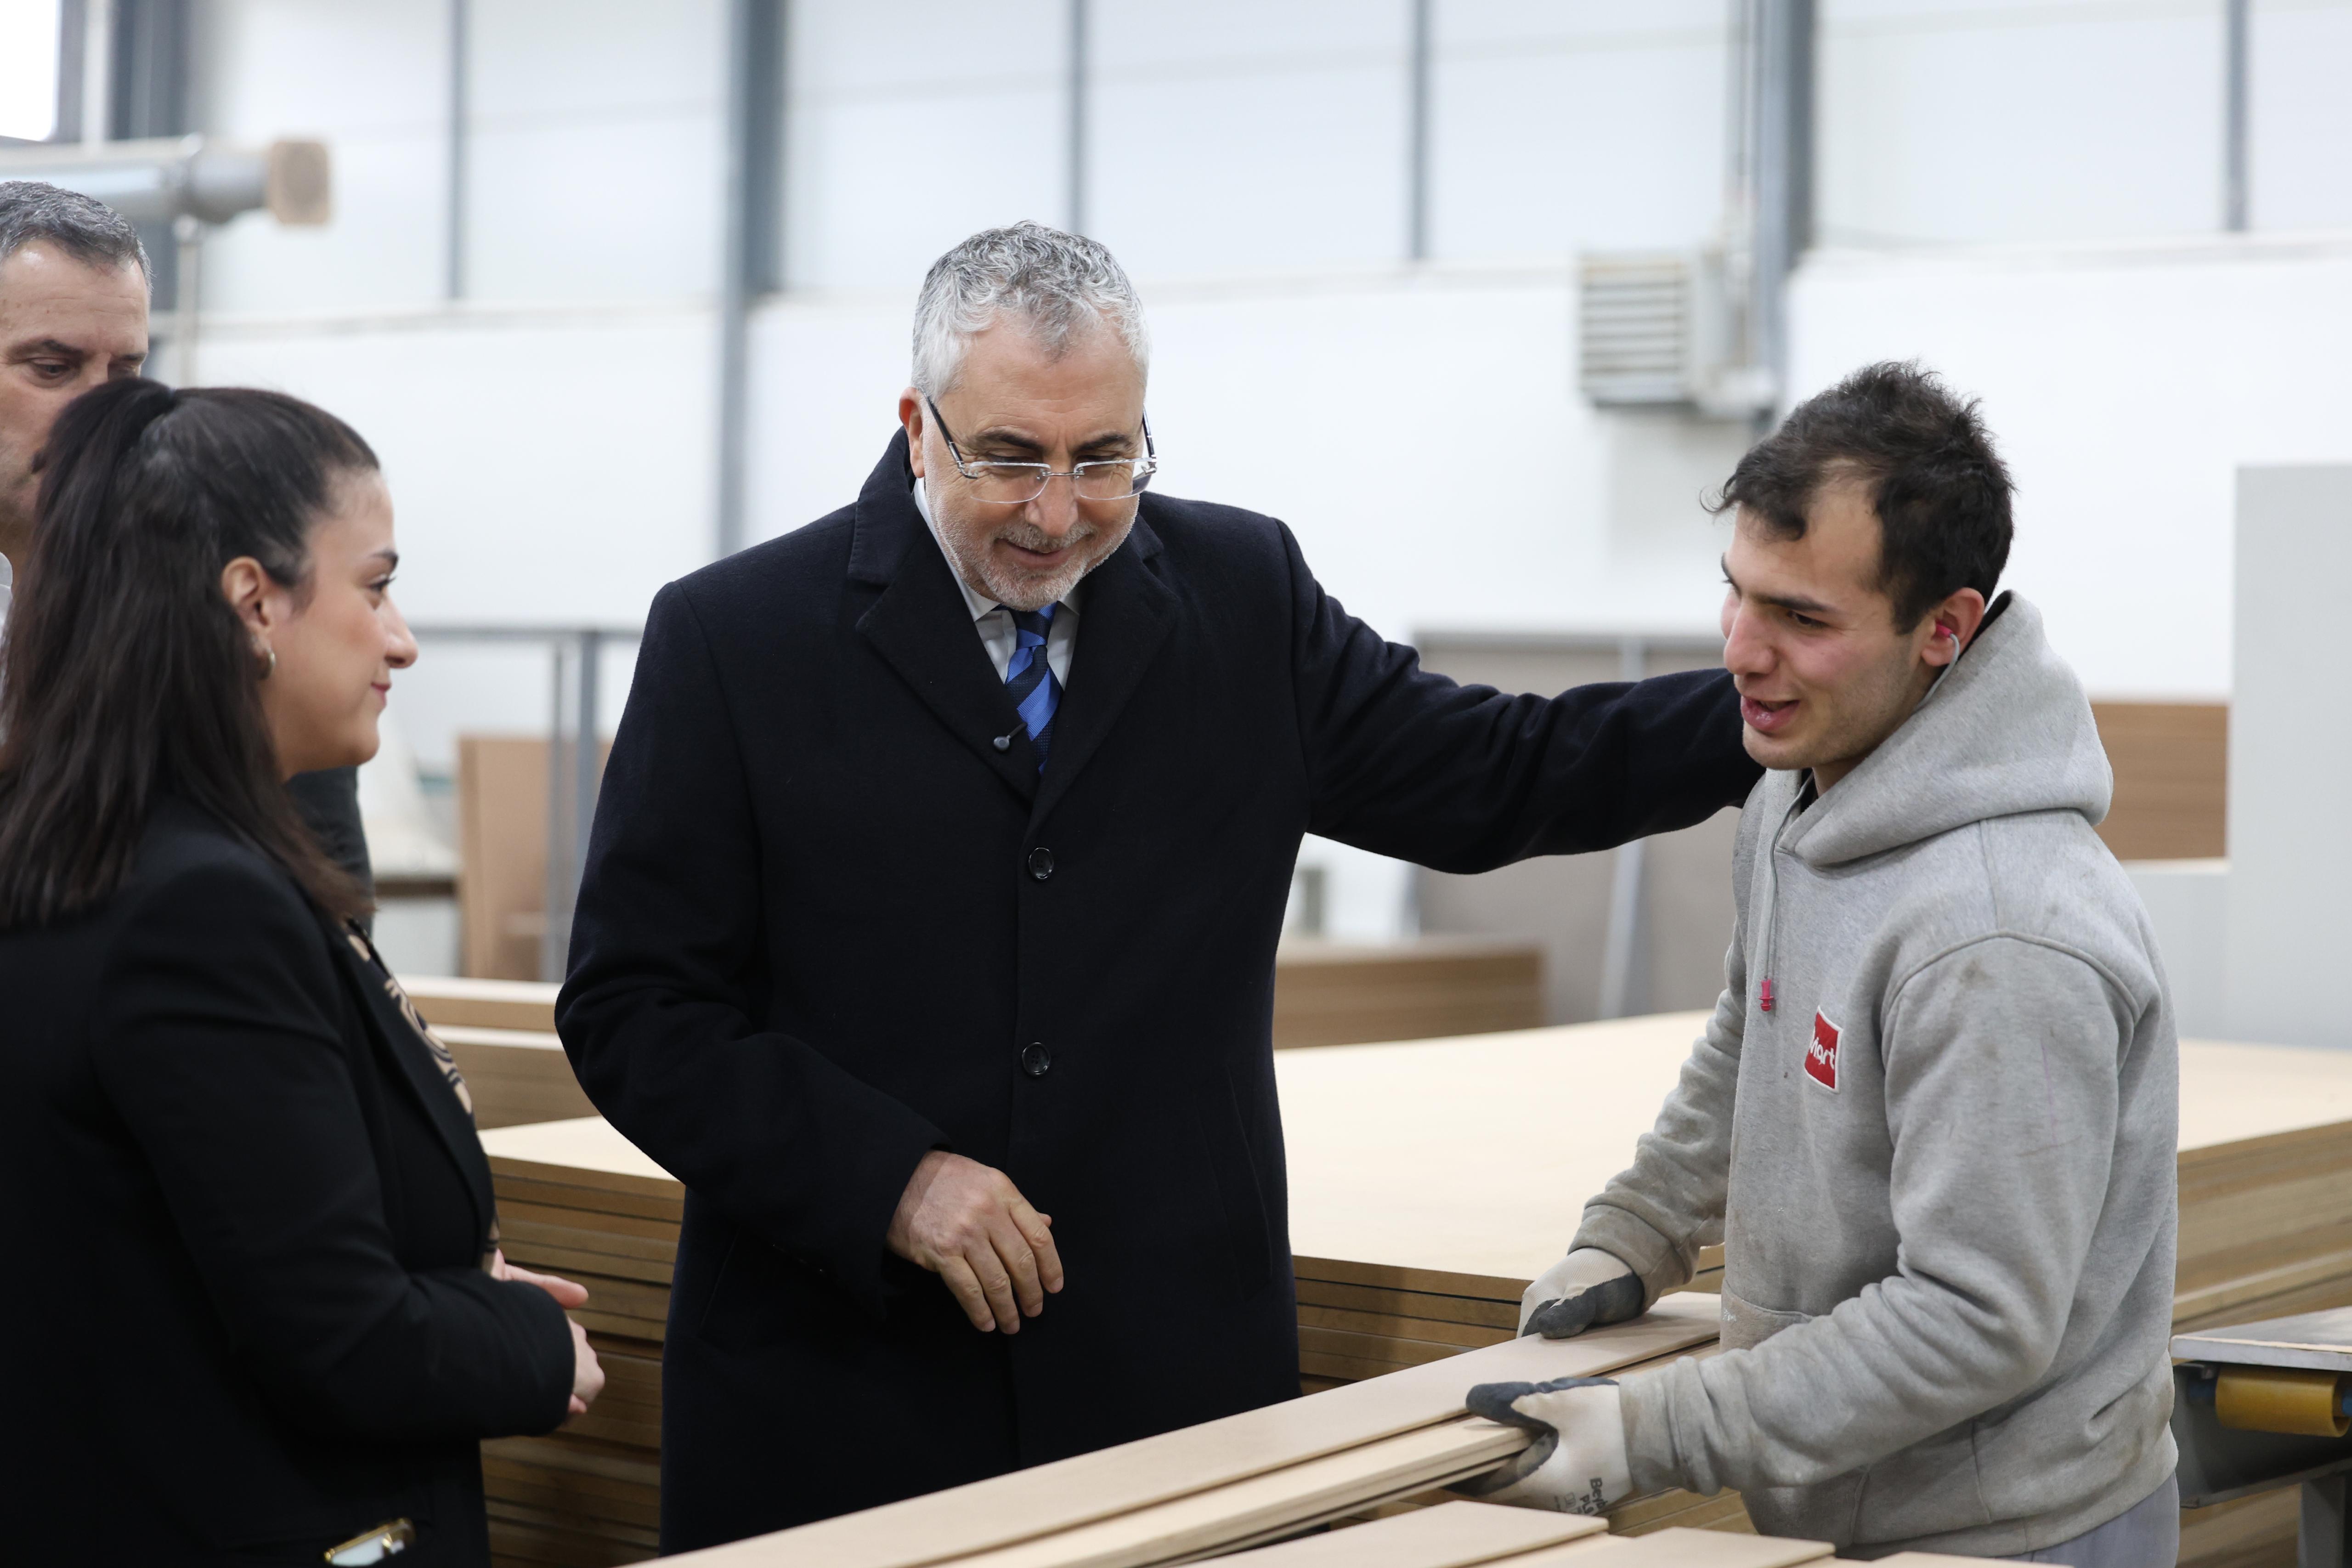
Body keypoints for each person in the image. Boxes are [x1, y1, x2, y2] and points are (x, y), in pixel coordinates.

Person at [558, 220, 1765, 1551]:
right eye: (1009, 456)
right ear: (917, 427)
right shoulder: (736, 639)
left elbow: (1497, 770)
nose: (1058, 511)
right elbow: (636, 1007)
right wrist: (888, 1176)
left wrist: (1771, 707)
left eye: (1105, 458)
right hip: (843, 1393)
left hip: (1167, 1389)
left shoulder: (1244, 597)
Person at [1463, 364, 2178, 1565]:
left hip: (2012, 1532)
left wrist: (1661, 1426)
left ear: (1944, 629)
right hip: (1857, 1502)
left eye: (1802, 618)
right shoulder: (1797, 792)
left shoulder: (1999, 935)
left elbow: (1976, 1320)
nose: (1742, 651)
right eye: (1737, 595)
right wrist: (1642, 1222)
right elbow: (1758, 1030)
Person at [0, 379, 605, 1567]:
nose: (403, 636)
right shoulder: (203, 906)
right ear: (254, 601)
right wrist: (530, 1340)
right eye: (376, 585)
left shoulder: (91, 847)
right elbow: (337, 1339)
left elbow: (205, 1236)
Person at [0, 179, 372, 889]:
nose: (102, 411)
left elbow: (329, 911)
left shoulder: (228, 618)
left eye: (126, 372)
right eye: (52, 368)